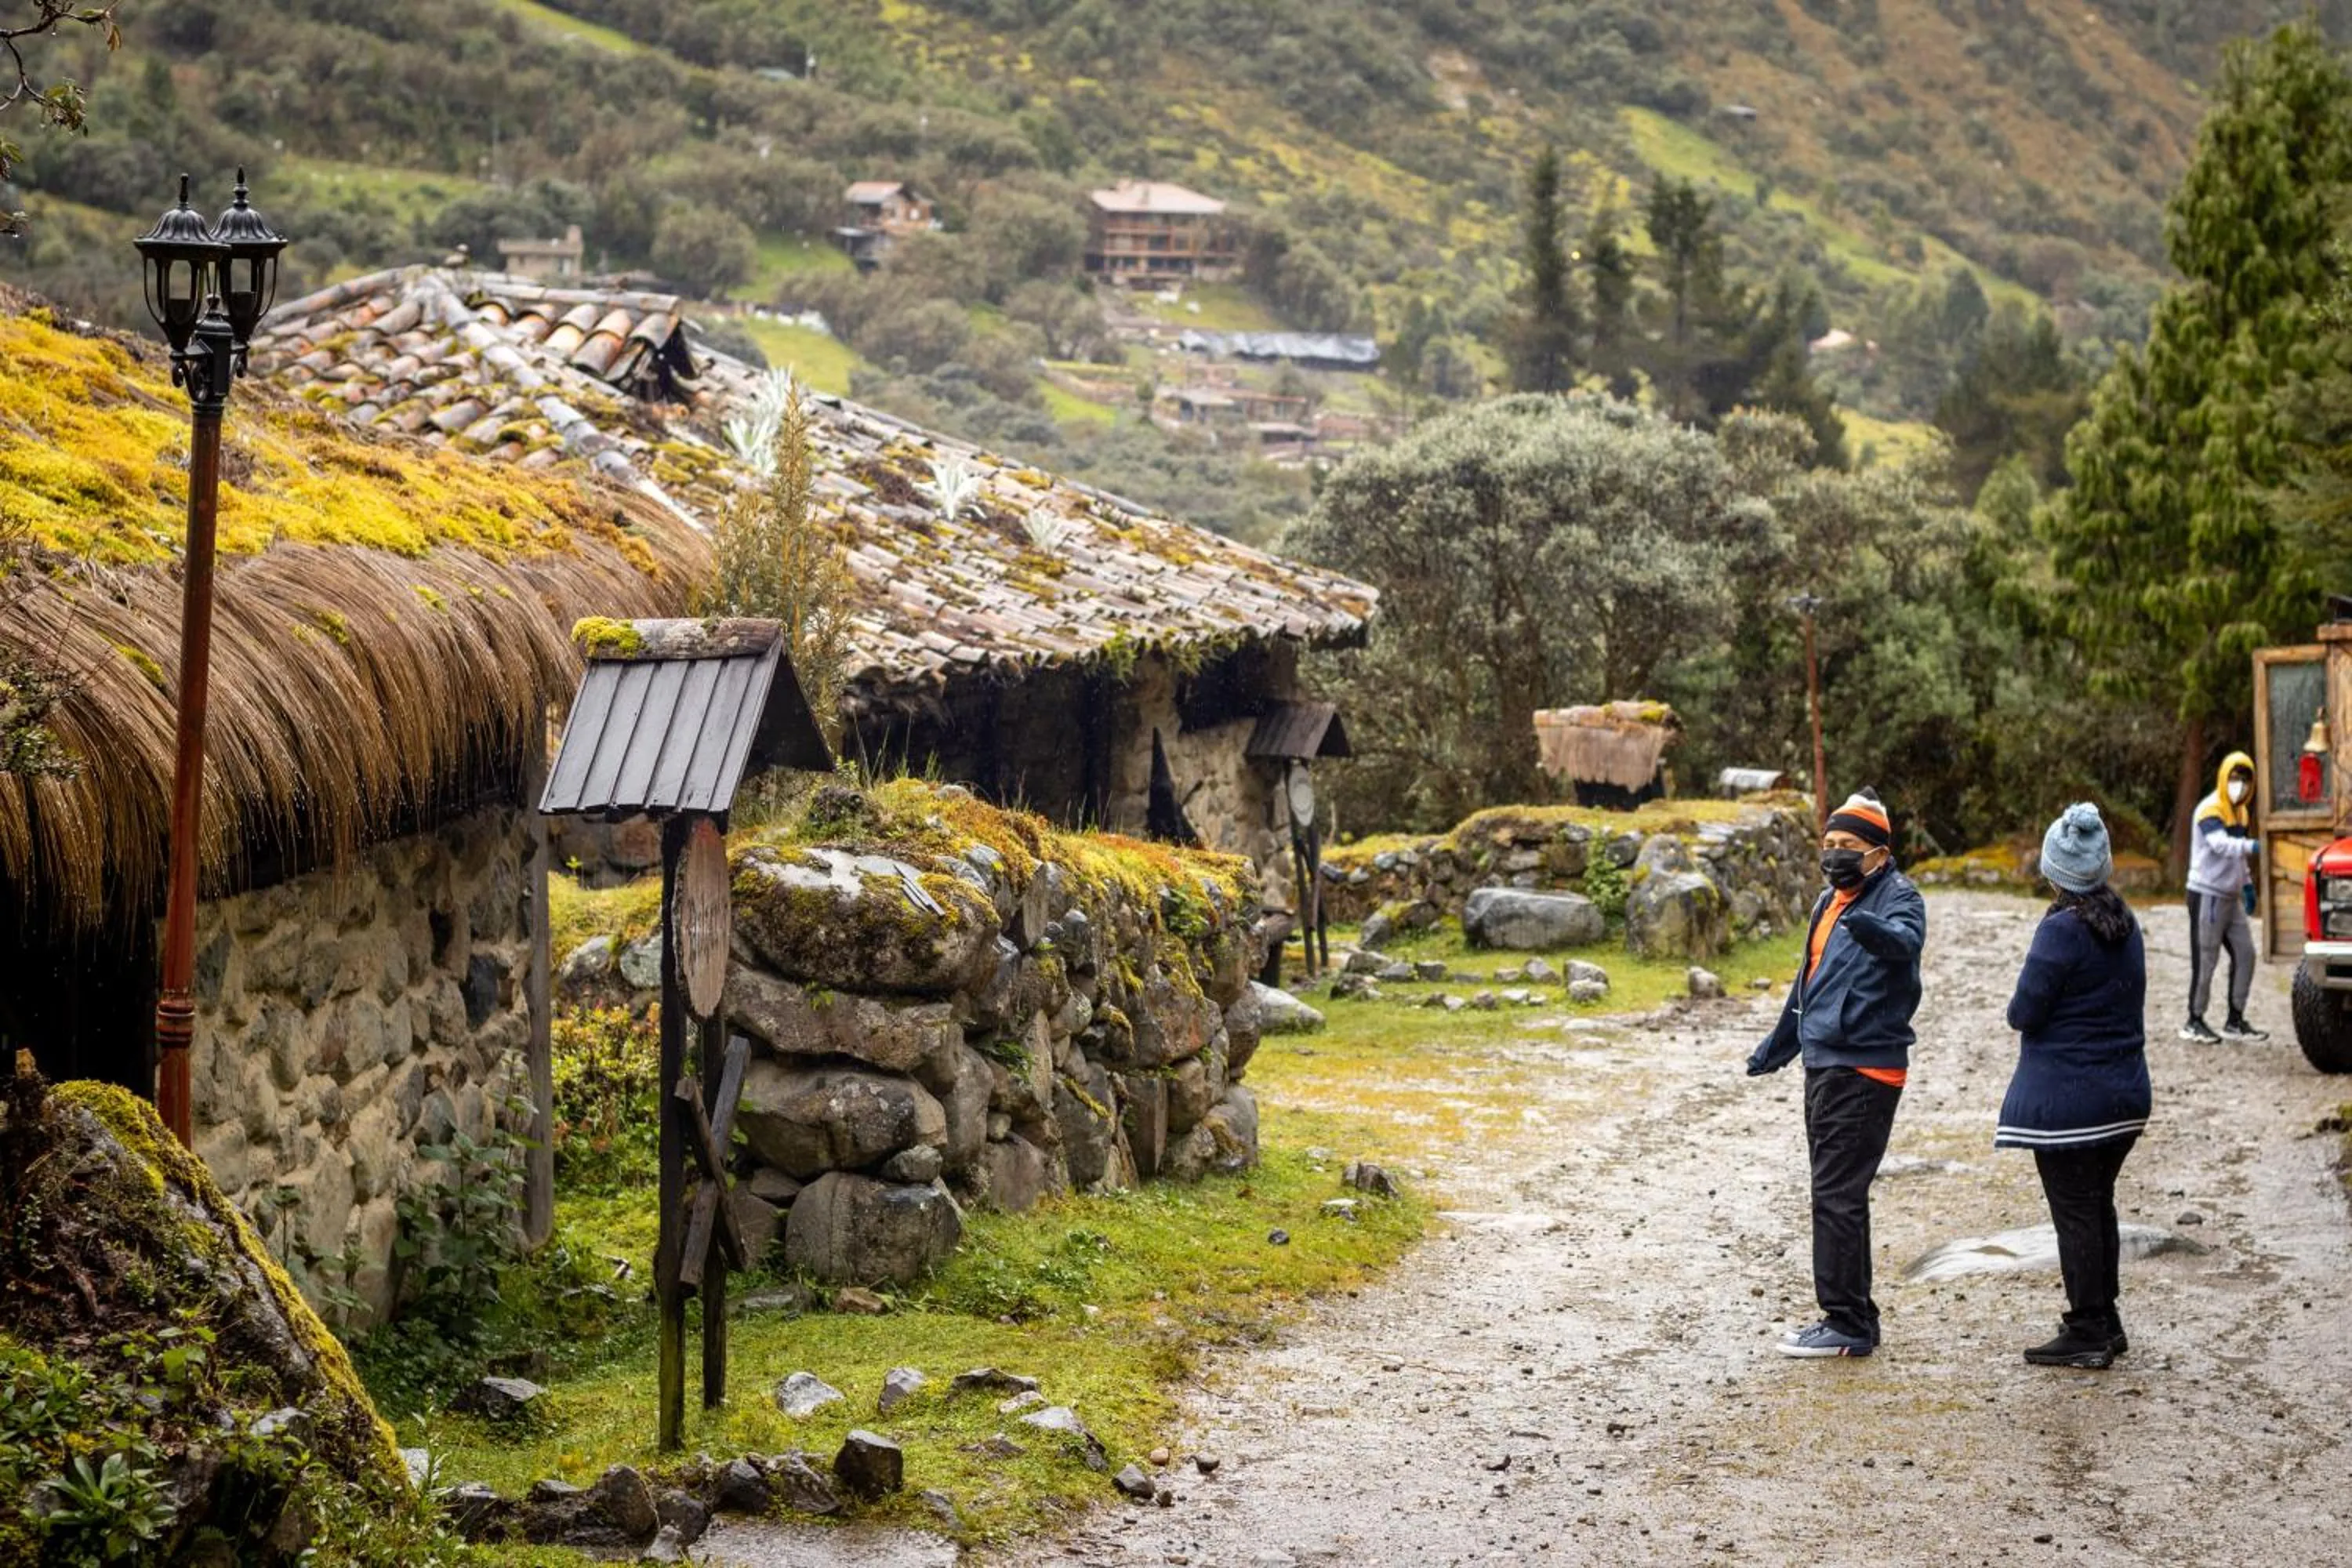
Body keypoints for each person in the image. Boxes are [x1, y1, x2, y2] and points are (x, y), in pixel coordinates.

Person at [1747, 788, 1927, 1359]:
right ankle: (1857, 1316)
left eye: (1849, 844)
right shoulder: (1828, 901)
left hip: (1864, 1068)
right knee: (1838, 1193)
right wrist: (1777, 1047)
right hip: (1824, 1063)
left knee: (1835, 1196)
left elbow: (1905, 943)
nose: (1836, 854)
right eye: (1829, 843)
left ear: (1879, 852)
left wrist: (1870, 927)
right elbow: (1807, 983)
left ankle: (1845, 1323)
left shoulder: (1900, 897)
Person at [1999, 802, 2150, 1370]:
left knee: (2076, 1212)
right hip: (2126, 1096)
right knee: (2096, 1202)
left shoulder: (2061, 930)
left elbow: (2024, 1012)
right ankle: (2106, 1319)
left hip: (2071, 1105)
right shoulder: (2125, 921)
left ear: (2054, 871)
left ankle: (2087, 1328)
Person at [2183, 750, 2265, 1044]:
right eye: (2234, 778)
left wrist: (2248, 885)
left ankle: (2235, 1019)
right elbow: (2221, 845)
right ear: (2223, 777)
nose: (2239, 785)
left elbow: (2238, 858)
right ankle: (2194, 1020)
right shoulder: (2210, 809)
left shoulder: (2241, 813)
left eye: (2245, 779)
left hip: (2231, 897)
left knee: (2246, 955)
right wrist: (2254, 846)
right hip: (2207, 894)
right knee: (2206, 958)